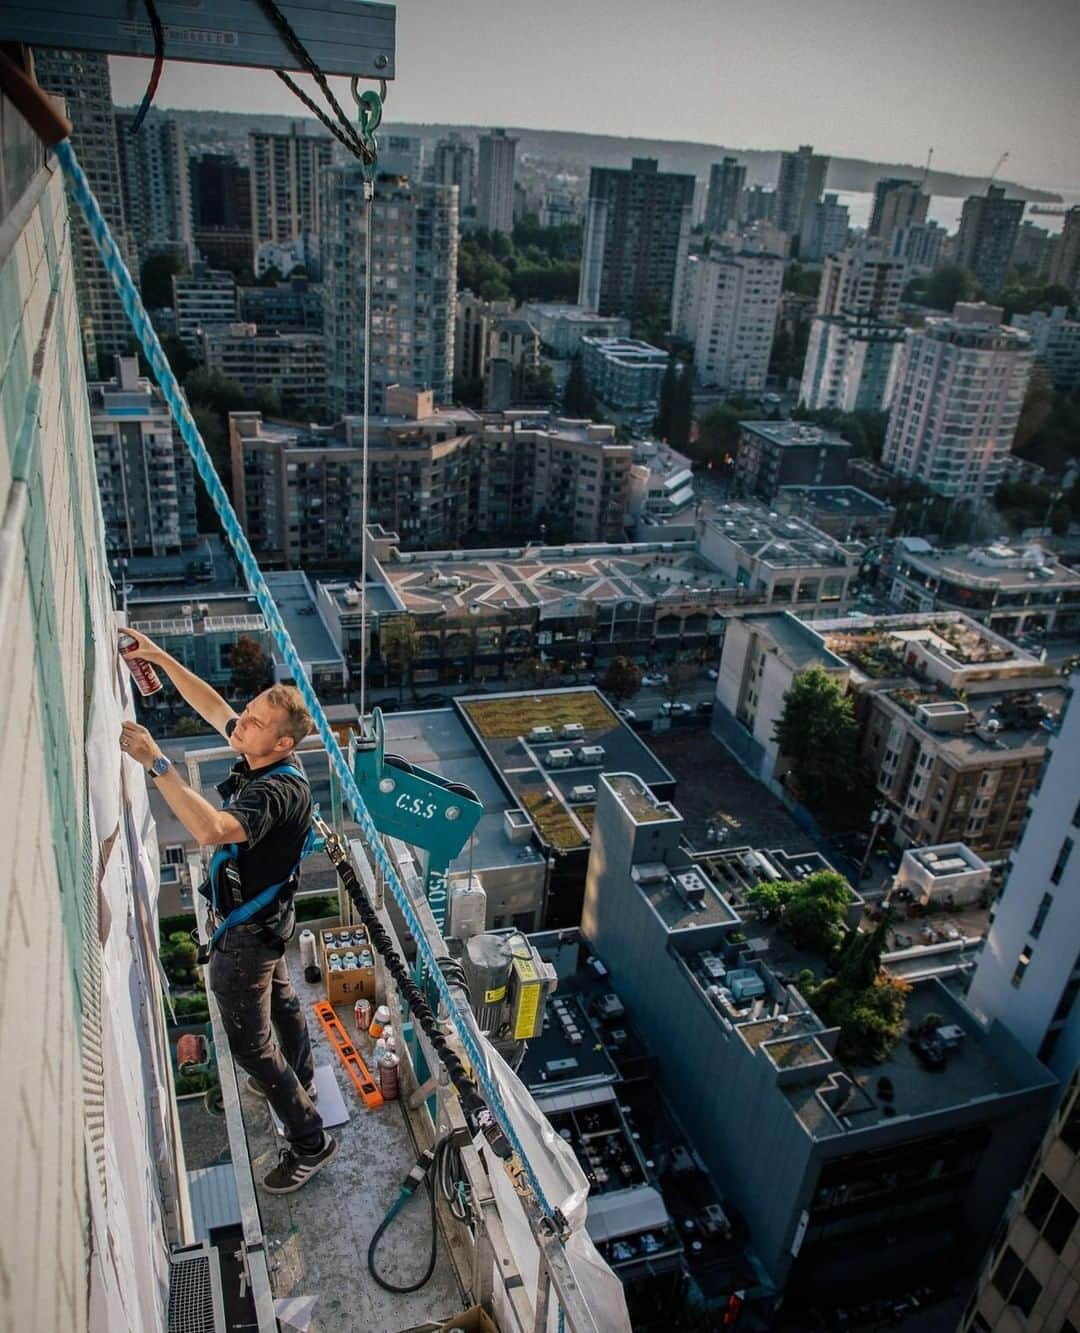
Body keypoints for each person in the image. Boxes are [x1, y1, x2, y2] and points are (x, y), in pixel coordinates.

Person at [117, 629, 336, 1194]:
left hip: (246, 939)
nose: (240, 724)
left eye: (256, 723)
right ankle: (300, 1078)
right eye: (248, 713)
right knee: (283, 1001)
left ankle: (310, 1140)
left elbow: (211, 829)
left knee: (250, 1045)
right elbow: (215, 706)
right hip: (267, 921)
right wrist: (161, 657)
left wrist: (156, 762)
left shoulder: (275, 793)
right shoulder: (260, 754)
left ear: (283, 744)